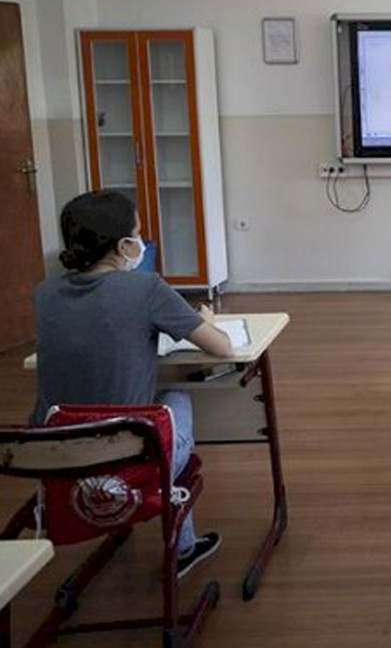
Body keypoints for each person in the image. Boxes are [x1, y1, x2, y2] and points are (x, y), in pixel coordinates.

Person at [34, 190, 236, 578]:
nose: (141, 242)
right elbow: (222, 348)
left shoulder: (43, 294)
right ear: (123, 244)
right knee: (175, 398)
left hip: (52, 459)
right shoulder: (145, 289)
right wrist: (206, 320)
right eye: (138, 233)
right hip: (126, 464)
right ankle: (181, 549)